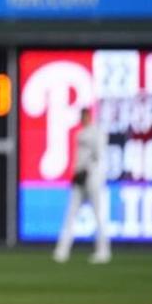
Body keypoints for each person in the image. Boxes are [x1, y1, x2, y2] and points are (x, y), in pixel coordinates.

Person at [53, 104, 111, 264]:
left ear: (89, 116)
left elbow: (98, 156)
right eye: (81, 116)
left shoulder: (97, 132)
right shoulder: (80, 133)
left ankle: (103, 250)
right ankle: (62, 251)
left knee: (98, 215)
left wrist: (87, 171)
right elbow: (79, 158)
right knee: (70, 214)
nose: (83, 119)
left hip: (93, 178)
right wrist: (77, 173)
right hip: (79, 178)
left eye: (85, 116)